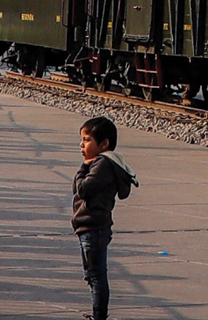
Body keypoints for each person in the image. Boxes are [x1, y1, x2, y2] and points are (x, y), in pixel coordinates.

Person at [72, 116, 136, 320]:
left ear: (104, 144)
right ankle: (98, 313)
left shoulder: (102, 164)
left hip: (94, 227)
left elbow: (83, 189)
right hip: (92, 227)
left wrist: (84, 167)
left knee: (96, 276)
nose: (82, 145)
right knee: (93, 275)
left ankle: (99, 315)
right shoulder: (102, 163)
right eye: (82, 140)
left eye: (87, 140)